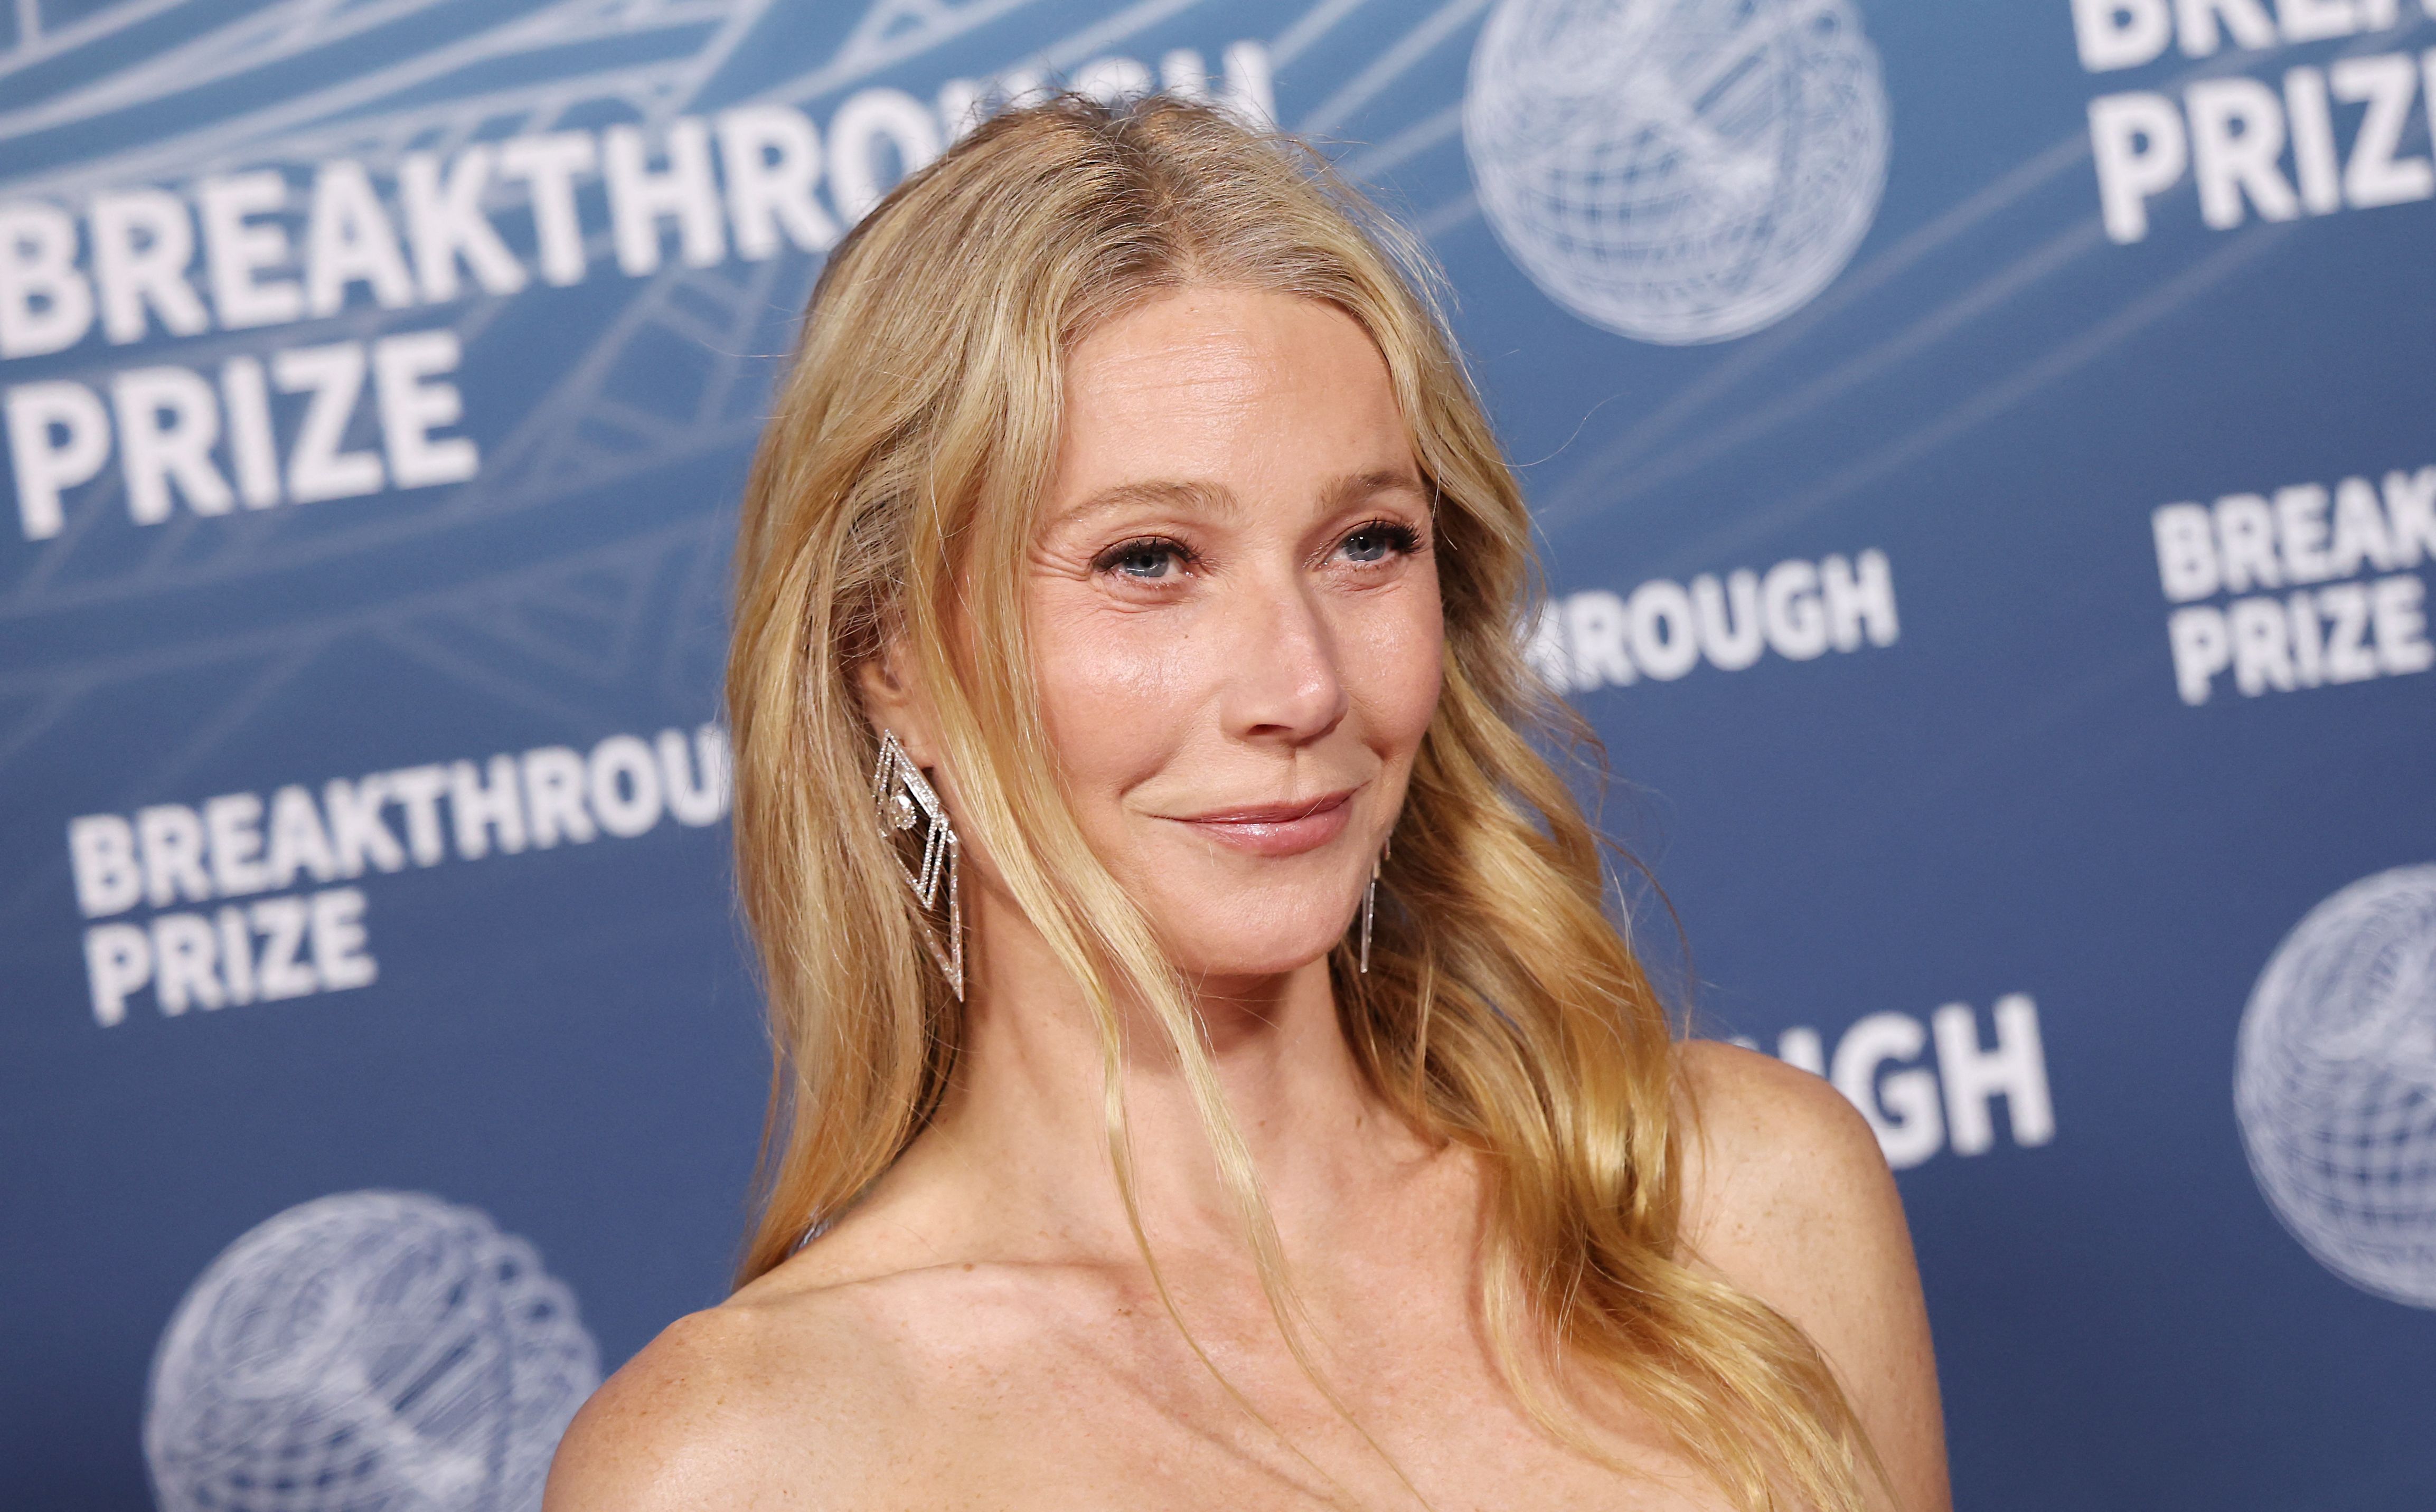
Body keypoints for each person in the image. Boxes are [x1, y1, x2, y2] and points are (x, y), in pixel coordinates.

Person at [544, 92, 1949, 1512]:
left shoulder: (1739, 1212)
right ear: (887, 656)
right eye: (1150, 560)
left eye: (1366, 544)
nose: (1303, 685)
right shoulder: (744, 1462)